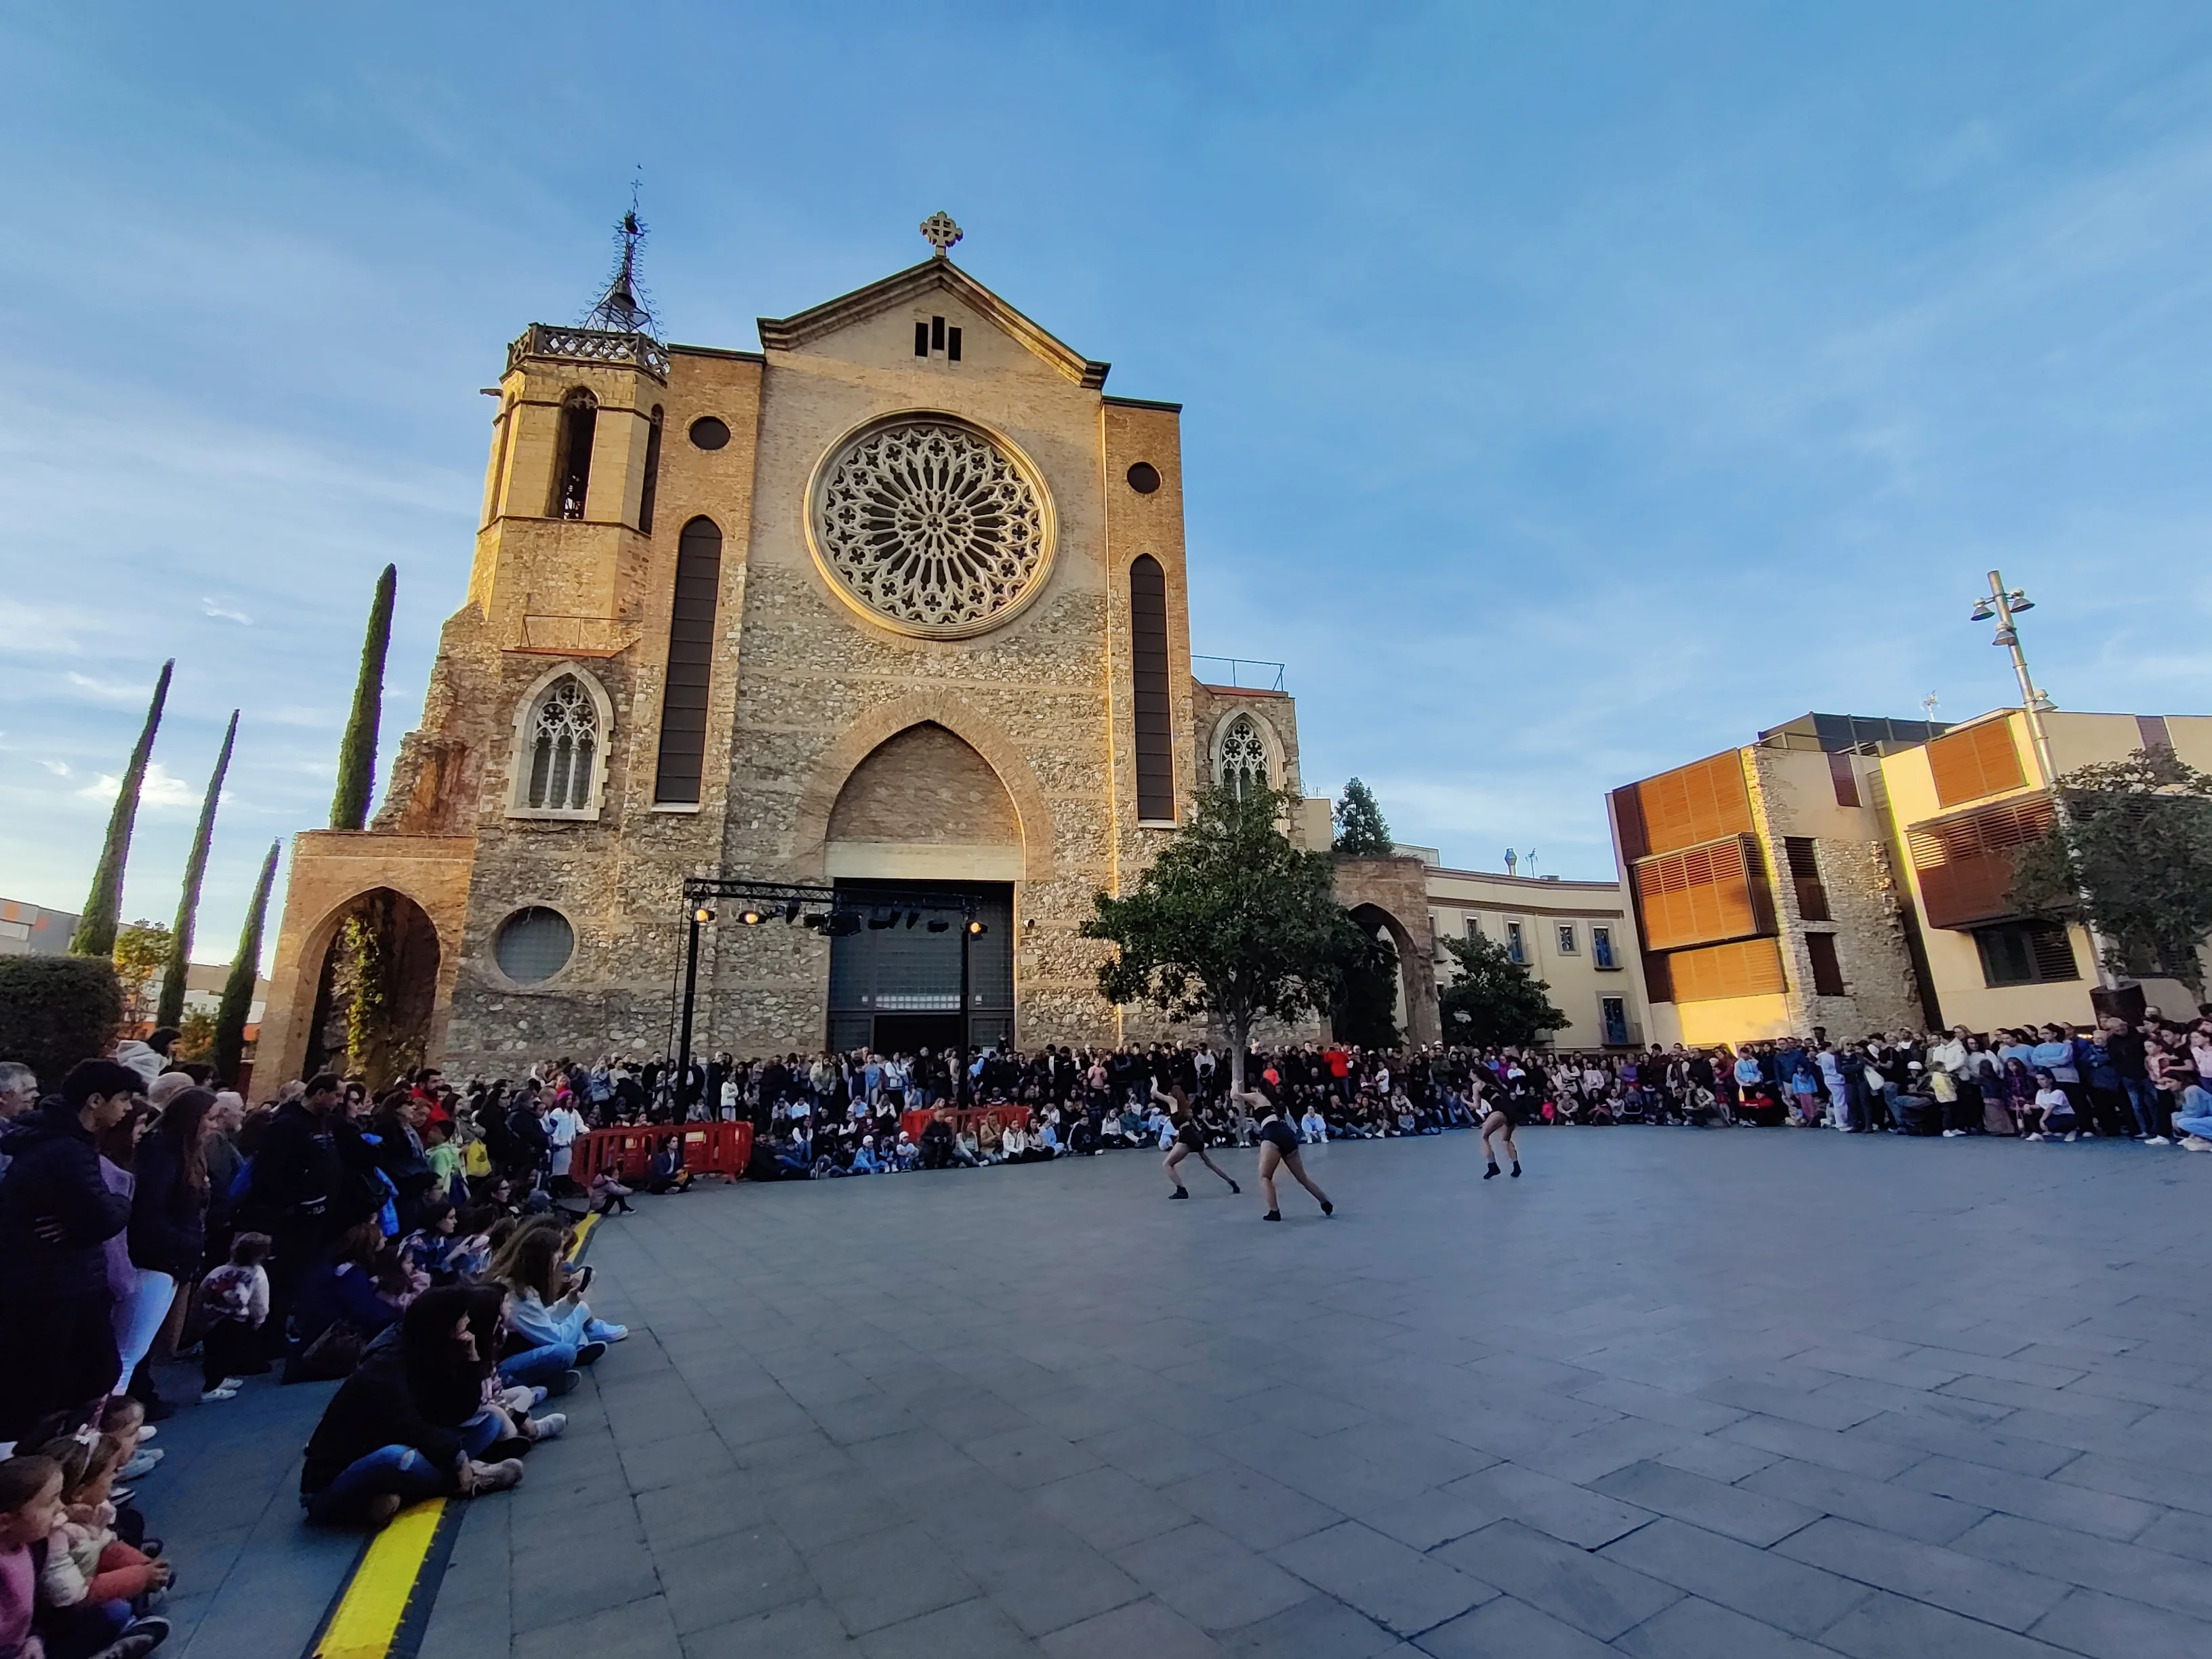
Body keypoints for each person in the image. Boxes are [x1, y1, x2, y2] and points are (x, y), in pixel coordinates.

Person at [298, 1287, 531, 1528]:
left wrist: (471, 1360)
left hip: (406, 1446)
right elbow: (405, 1423)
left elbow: (458, 1412)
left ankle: (393, 1497)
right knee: (396, 1457)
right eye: (462, 1318)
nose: (468, 1323)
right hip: (335, 1478)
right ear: (444, 1323)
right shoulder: (385, 1362)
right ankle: (471, 1478)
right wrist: (456, 1457)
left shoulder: (431, 1350)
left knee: (489, 1423)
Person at [0, 1063, 139, 1445]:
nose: (128, 1110)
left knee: (73, 1378)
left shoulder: (62, 1143)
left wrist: (84, 1219)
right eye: (123, 1100)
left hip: (62, 1282)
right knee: (54, 1387)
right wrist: (120, 1200)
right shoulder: (67, 1150)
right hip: (54, 1287)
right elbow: (101, 1218)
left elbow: (87, 1215)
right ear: (95, 1102)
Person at [197, 1232, 272, 1401]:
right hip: (236, 1321)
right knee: (225, 1354)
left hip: (212, 1318)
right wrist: (259, 1319)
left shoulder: (219, 1270)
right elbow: (260, 1302)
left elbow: (202, 1291)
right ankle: (210, 1389)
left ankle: (218, 1379)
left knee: (214, 1352)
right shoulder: (257, 1274)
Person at [1243, 1086, 1330, 1222]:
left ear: (1259, 1090)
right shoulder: (1272, 1102)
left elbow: (1235, 1095)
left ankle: (1274, 1211)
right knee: (1303, 1178)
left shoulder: (1259, 1097)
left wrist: (1235, 1083)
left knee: (1265, 1176)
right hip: (1286, 1135)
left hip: (1272, 1135)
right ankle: (1325, 1202)